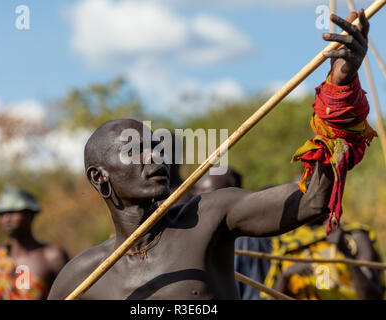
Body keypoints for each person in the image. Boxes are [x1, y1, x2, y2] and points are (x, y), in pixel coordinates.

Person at [48, 11, 372, 300]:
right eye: (136, 150)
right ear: (99, 178)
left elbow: (313, 200)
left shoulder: (209, 216)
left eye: (156, 148)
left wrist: (339, 92)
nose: (155, 157)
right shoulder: (82, 279)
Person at [0, 184, 69, 300]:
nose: (6, 219)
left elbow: (73, 294)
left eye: (13, 212)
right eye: (1, 214)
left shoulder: (52, 256)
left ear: (31, 214)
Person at [192, 168, 272, 300]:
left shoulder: (247, 239)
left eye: (205, 191)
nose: (197, 198)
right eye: (197, 190)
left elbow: (254, 294)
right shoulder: (197, 234)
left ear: (231, 197)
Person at [267, 216, 385, 300]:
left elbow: (372, 296)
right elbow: (271, 297)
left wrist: (345, 251)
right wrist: (286, 275)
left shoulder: (353, 236)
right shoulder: (285, 244)